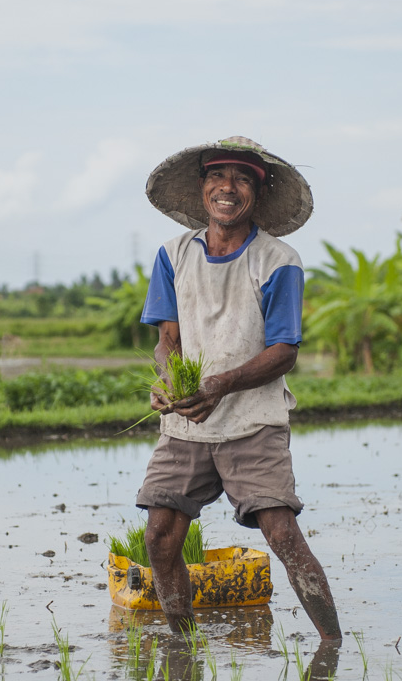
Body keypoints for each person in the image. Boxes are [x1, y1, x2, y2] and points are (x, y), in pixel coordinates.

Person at [135, 136, 341, 641]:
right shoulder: (173, 254)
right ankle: (181, 644)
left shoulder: (277, 260)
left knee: (282, 534)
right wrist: (170, 381)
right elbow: (168, 341)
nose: (228, 187)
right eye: (217, 176)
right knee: (161, 537)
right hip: (188, 422)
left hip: (253, 422)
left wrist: (222, 385)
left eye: (242, 178)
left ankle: (332, 648)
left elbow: (284, 350)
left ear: (258, 192)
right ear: (203, 187)